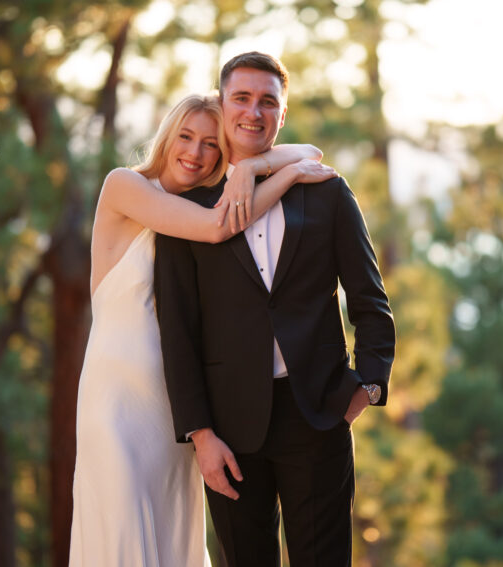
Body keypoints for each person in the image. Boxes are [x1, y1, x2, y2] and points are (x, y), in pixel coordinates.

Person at [68, 92, 337, 567]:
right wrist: (283, 174)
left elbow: (310, 151)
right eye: (186, 137)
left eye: (211, 145)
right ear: (168, 136)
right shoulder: (125, 186)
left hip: (175, 408)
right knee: (122, 529)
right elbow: (219, 227)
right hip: (116, 404)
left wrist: (251, 168)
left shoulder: (204, 201)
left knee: (172, 538)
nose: (195, 152)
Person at [154, 53, 396, 566]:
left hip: (317, 413)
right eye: (241, 98)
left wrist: (367, 386)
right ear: (222, 106)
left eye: (268, 102)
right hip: (228, 430)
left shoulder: (326, 192)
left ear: (281, 116)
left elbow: (371, 301)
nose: (253, 112)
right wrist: (199, 434)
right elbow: (178, 330)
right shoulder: (189, 208)